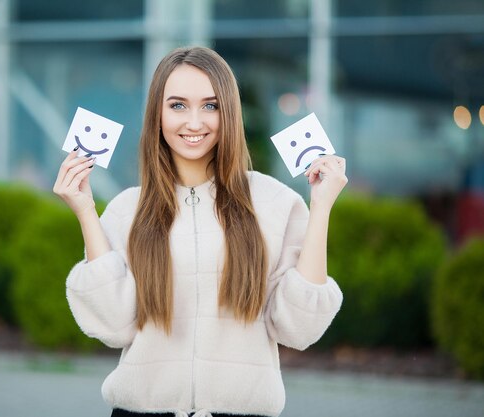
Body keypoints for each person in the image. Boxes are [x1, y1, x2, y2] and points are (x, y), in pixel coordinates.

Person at [54, 46, 347, 417]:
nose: (194, 122)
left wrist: (320, 206)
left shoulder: (274, 203)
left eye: (210, 106)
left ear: (230, 113)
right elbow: (114, 325)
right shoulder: (127, 209)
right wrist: (84, 211)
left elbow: (299, 329)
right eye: (177, 105)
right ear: (157, 115)